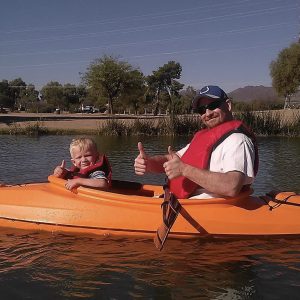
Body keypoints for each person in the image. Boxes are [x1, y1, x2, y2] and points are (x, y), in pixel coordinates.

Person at [134, 85, 258, 199]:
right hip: (182, 204)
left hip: (211, 212)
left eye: (213, 105)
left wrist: (184, 170)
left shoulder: (238, 140)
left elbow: (232, 186)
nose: (207, 113)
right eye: (201, 110)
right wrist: (149, 163)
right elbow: (172, 160)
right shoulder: (204, 137)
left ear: (228, 105)